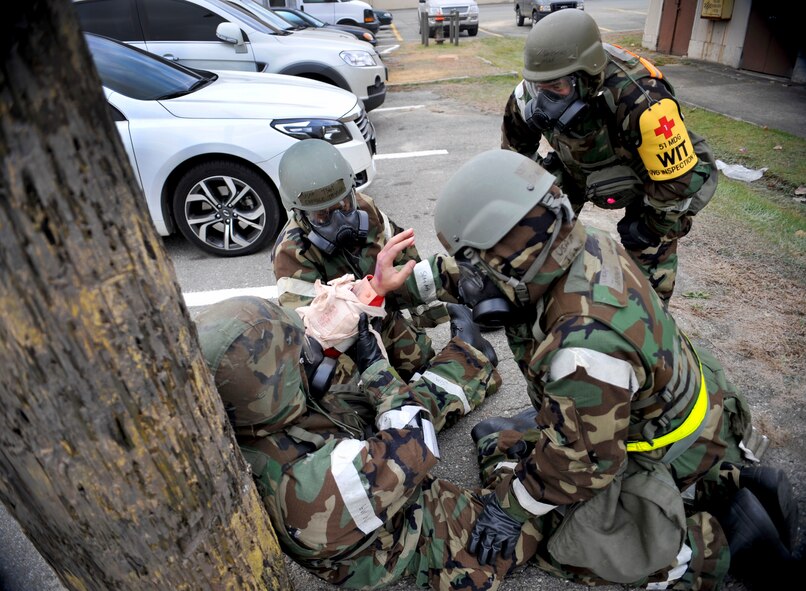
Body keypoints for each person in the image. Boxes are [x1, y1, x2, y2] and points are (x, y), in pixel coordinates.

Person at [432, 149, 798, 590]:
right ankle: (731, 480)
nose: (474, 277)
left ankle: (720, 543)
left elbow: (585, 467)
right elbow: (495, 268)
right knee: (501, 438)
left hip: (657, 450)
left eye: (475, 263)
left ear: (506, 255)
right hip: (685, 411)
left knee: (564, 544)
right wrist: (407, 280)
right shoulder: (577, 242)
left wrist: (510, 511)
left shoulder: (582, 348)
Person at [195, 236, 538, 589]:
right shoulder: (310, 488)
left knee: (375, 399)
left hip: (328, 457)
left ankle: (471, 359)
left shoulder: (238, 407)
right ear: (279, 389)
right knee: (518, 534)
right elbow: (416, 442)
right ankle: (499, 448)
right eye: (298, 353)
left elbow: (308, 343)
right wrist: (375, 369)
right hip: (402, 535)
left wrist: (368, 294)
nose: (307, 350)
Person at [501, 9, 718, 302]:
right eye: (540, 87)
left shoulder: (645, 101)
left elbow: (676, 183)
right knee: (534, 225)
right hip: (578, 168)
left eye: (557, 88)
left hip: (647, 178)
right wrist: (534, 202)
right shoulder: (528, 94)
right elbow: (514, 157)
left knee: (649, 248)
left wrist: (650, 226)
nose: (545, 101)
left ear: (586, 77)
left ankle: (649, 322)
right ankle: (523, 294)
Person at [272, 138, 466, 384]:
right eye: (323, 215)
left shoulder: (366, 209)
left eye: (344, 204)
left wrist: (436, 311)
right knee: (359, 400)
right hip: (344, 343)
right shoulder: (290, 254)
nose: (340, 220)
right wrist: (371, 292)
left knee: (420, 361)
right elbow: (314, 335)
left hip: (383, 314)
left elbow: (409, 265)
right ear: (299, 213)